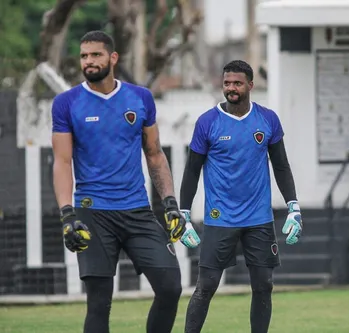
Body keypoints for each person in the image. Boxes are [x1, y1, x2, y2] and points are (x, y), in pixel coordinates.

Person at [51, 30, 199, 333]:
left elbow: (155, 154)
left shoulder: (140, 98)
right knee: (99, 303)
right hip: (92, 214)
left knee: (170, 286)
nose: (89, 62)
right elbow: (63, 162)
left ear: (112, 57)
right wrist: (67, 215)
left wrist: (170, 204)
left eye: (96, 55)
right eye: (84, 56)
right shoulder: (67, 103)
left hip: (137, 211)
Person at [179, 60, 303, 333]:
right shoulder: (207, 122)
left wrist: (293, 208)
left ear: (250, 85)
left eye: (236, 83)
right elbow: (191, 171)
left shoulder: (267, 119)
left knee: (263, 285)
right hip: (220, 217)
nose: (231, 88)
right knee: (207, 285)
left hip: (259, 218)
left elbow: (281, 166)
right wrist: (184, 216)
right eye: (226, 83)